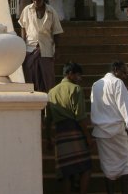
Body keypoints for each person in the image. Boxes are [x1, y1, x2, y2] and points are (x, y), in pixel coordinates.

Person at [90, 61, 128, 194]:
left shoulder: (96, 84)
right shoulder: (117, 83)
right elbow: (126, 109)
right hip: (117, 132)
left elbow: (93, 107)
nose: (125, 76)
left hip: (101, 133)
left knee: (108, 169)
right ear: (115, 69)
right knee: (125, 166)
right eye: (124, 72)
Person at [45, 62, 93, 194]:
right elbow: (80, 116)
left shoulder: (51, 92)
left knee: (66, 171)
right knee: (86, 167)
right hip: (74, 131)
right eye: (78, 75)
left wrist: (48, 137)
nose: (80, 78)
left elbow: (47, 119)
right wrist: (88, 136)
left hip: (60, 133)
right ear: (70, 74)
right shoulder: (76, 89)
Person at [18, 0, 63, 93]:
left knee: (47, 80)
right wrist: (22, 43)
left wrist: (58, 49)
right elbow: (23, 27)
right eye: (34, 0)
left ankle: (47, 105)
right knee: (31, 79)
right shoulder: (27, 10)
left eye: (39, 0)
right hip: (30, 49)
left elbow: (57, 32)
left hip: (46, 50)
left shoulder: (51, 11)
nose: (36, 2)